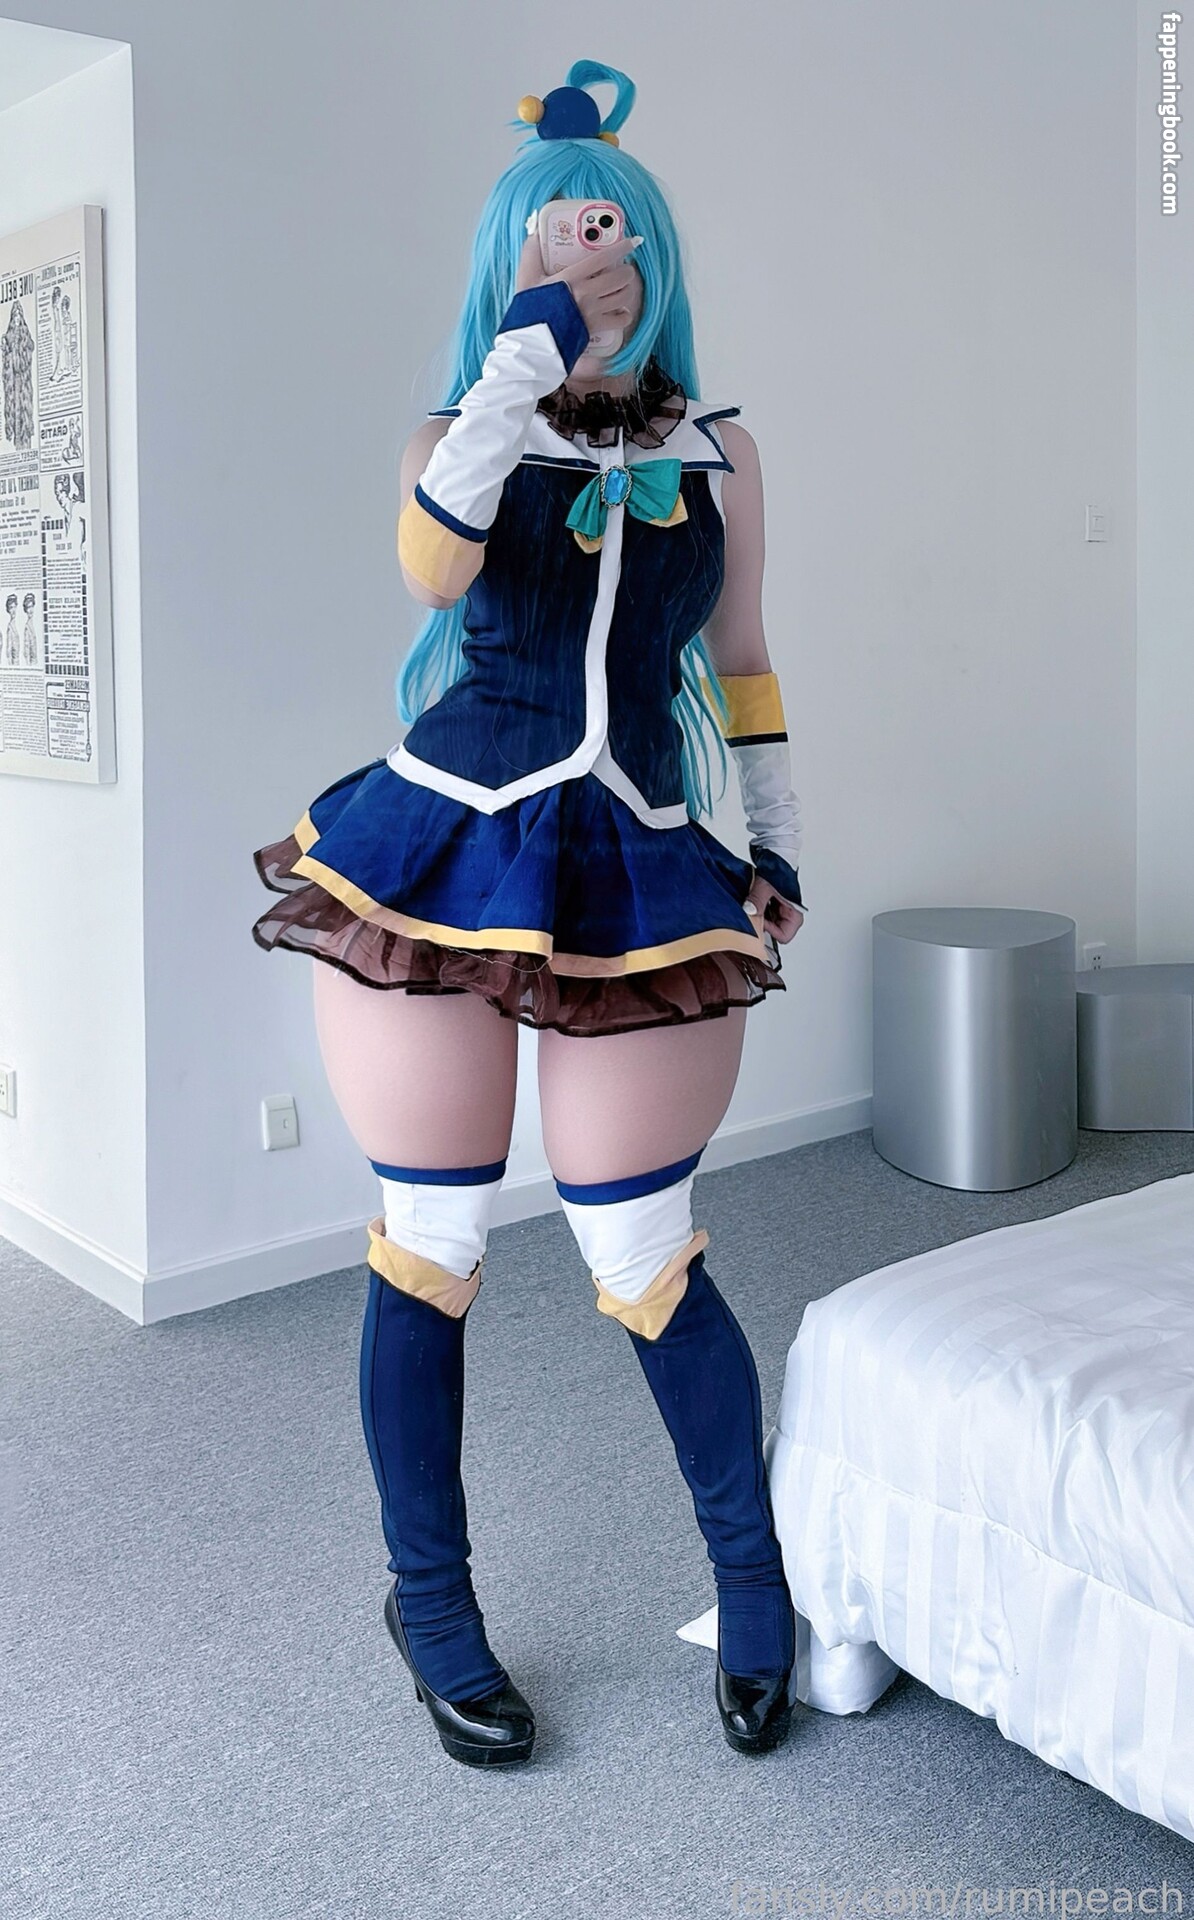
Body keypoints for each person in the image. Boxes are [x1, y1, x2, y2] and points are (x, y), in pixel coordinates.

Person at [251, 58, 807, 1770]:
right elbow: (431, 568)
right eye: (565, 235)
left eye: (620, 233)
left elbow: (743, 662)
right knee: (431, 1241)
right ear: (518, 257)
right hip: (436, 853)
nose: (598, 254)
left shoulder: (718, 451)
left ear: (657, 251)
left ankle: (756, 1587)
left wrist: (777, 845)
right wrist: (526, 356)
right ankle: (430, 1607)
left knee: (640, 1251)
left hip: (636, 855)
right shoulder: (457, 435)